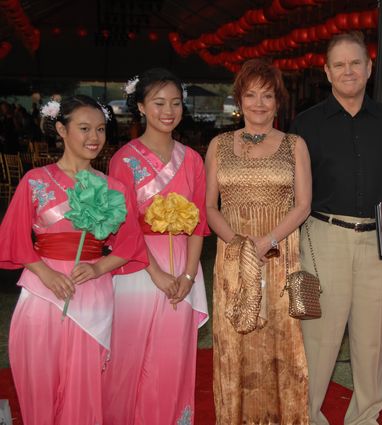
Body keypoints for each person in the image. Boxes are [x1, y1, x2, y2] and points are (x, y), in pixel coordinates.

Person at [289, 32, 382, 425]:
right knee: (318, 335)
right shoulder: (306, 124)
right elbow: (291, 188)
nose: (349, 71)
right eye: (340, 64)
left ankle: (365, 416)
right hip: (322, 236)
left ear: (369, 67)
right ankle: (308, 416)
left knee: (370, 337)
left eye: (356, 63)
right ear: (327, 72)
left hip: (378, 241)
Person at [0, 95, 147, 425]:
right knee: (40, 380)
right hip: (42, 294)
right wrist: (46, 273)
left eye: (100, 129)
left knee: (85, 387)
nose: (94, 137)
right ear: (61, 130)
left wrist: (98, 268)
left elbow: (130, 246)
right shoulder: (35, 181)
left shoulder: (115, 189)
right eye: (84, 128)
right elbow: (14, 239)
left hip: (91, 295)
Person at [205, 58, 312, 424]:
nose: (259, 103)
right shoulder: (219, 145)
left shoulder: (295, 145)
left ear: (278, 101)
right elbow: (210, 206)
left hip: (280, 255)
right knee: (235, 339)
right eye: (250, 95)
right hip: (234, 256)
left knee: (281, 340)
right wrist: (239, 245)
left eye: (267, 95)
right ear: (239, 100)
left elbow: (303, 205)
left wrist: (266, 241)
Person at [102, 68, 210, 425]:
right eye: (159, 103)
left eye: (176, 103)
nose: (168, 111)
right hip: (138, 267)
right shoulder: (123, 159)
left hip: (183, 269)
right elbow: (123, 226)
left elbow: (199, 224)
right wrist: (157, 273)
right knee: (129, 354)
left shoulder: (192, 160)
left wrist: (189, 276)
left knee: (171, 357)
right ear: (141, 107)